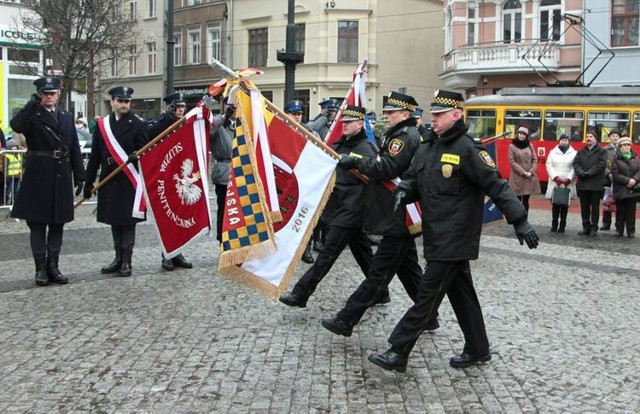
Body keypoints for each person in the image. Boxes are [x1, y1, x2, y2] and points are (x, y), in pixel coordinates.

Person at [367, 90, 539, 372]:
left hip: (456, 235)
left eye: (439, 115)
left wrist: (519, 220)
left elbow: (496, 185)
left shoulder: (468, 148)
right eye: (432, 114)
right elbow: (414, 178)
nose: (433, 119)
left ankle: (398, 350)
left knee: (427, 295)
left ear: (456, 115)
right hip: (437, 232)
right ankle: (478, 348)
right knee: (461, 293)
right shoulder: (428, 146)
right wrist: (404, 191)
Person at [320, 92, 439, 337]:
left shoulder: (404, 138)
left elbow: (387, 168)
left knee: (379, 273)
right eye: (385, 111)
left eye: (391, 112)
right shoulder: (400, 135)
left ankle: (346, 319)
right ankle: (429, 317)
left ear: (405, 114)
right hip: (397, 212)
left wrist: (355, 162)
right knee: (409, 270)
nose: (386, 115)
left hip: (396, 214)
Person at [278, 105, 379, 308]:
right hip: (340, 206)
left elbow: (372, 177)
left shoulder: (366, 148)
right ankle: (380, 291)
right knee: (364, 254)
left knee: (327, 254)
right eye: (343, 122)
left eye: (349, 122)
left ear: (360, 124)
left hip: (352, 210)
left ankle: (301, 293)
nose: (345, 126)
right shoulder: (340, 145)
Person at [9, 76, 85, 286]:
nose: (49, 97)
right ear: (39, 94)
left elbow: (74, 147)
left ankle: (54, 267)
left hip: (61, 173)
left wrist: (80, 174)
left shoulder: (66, 117)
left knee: (57, 224)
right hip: (38, 174)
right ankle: (40, 268)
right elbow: (16, 125)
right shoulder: (32, 114)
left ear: (58, 94)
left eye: (52, 93)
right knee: (37, 225)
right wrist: (32, 104)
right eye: (45, 93)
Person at [83, 86, 148, 277]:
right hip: (109, 178)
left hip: (129, 179)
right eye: (119, 101)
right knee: (114, 221)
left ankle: (127, 260)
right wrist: (89, 183)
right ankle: (117, 258)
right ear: (111, 102)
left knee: (128, 221)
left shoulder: (138, 124)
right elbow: (95, 156)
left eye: (126, 101)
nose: (123, 104)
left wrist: (139, 156)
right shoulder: (103, 125)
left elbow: (146, 151)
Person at [148, 92, 194, 271]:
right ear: (171, 108)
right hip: (166, 176)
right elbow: (151, 136)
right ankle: (166, 254)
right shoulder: (163, 122)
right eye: (178, 107)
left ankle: (178, 253)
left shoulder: (184, 123)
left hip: (180, 175)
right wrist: (166, 120)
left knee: (180, 216)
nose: (181, 110)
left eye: (183, 107)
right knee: (167, 217)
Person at [284, 99, 315, 264]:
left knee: (305, 213)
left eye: (299, 114)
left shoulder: (310, 132)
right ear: (286, 114)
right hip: (284, 178)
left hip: (303, 178)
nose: (297, 117)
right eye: (293, 114)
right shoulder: (279, 130)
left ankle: (306, 249)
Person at [572, 129, 607, 236]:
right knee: (584, 207)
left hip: (595, 184)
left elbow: (601, 165)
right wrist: (580, 172)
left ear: (595, 139)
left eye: (591, 137)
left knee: (595, 208)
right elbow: (575, 163)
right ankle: (585, 227)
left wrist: (589, 173)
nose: (588, 138)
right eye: (587, 137)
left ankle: (594, 228)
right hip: (583, 184)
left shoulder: (602, 151)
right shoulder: (581, 151)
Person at [210, 97, 235, 245]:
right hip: (223, 172)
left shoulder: (237, 125)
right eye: (230, 106)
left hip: (238, 171)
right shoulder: (219, 125)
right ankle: (223, 239)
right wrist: (224, 117)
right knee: (224, 209)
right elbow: (209, 128)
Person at [545, 134, 577, 232]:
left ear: (569, 142)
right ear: (559, 141)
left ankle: (562, 225)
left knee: (564, 205)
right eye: (562, 140)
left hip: (568, 182)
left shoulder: (574, 153)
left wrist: (569, 178)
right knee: (555, 204)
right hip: (555, 181)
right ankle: (554, 225)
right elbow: (549, 165)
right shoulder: (552, 152)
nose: (563, 142)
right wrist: (555, 177)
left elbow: (574, 167)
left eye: (565, 140)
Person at [610, 137, 640, 237]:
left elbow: (639, 171)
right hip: (621, 188)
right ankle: (619, 230)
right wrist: (627, 180)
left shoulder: (635, 157)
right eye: (624, 145)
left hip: (633, 188)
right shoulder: (616, 158)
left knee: (631, 212)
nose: (627, 147)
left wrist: (634, 180)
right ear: (620, 147)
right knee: (620, 211)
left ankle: (631, 231)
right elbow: (615, 173)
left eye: (628, 145)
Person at [508, 126, 541, 214]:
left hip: (528, 177)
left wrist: (531, 172)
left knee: (526, 201)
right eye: (520, 133)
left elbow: (535, 159)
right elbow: (512, 162)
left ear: (526, 136)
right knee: (517, 201)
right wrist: (523, 172)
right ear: (517, 134)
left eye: (523, 134)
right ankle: (518, 219)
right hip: (517, 177)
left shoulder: (530, 145)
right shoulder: (512, 146)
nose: (521, 136)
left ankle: (525, 219)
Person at [601, 129, 620, 230]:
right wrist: (608, 173)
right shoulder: (605, 149)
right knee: (607, 202)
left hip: (620, 179)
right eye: (613, 136)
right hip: (608, 179)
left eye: (617, 136)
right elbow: (602, 164)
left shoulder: (622, 149)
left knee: (619, 203)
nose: (615, 138)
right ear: (609, 137)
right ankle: (606, 223)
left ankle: (618, 224)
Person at [2, 138, 22, 204]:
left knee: (16, 191)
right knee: (8, 190)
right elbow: (5, 167)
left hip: (17, 176)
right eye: (12, 146)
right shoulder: (7, 156)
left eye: (15, 146)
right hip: (10, 177)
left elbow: (21, 165)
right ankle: (5, 202)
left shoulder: (19, 155)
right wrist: (6, 176)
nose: (14, 148)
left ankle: (14, 203)